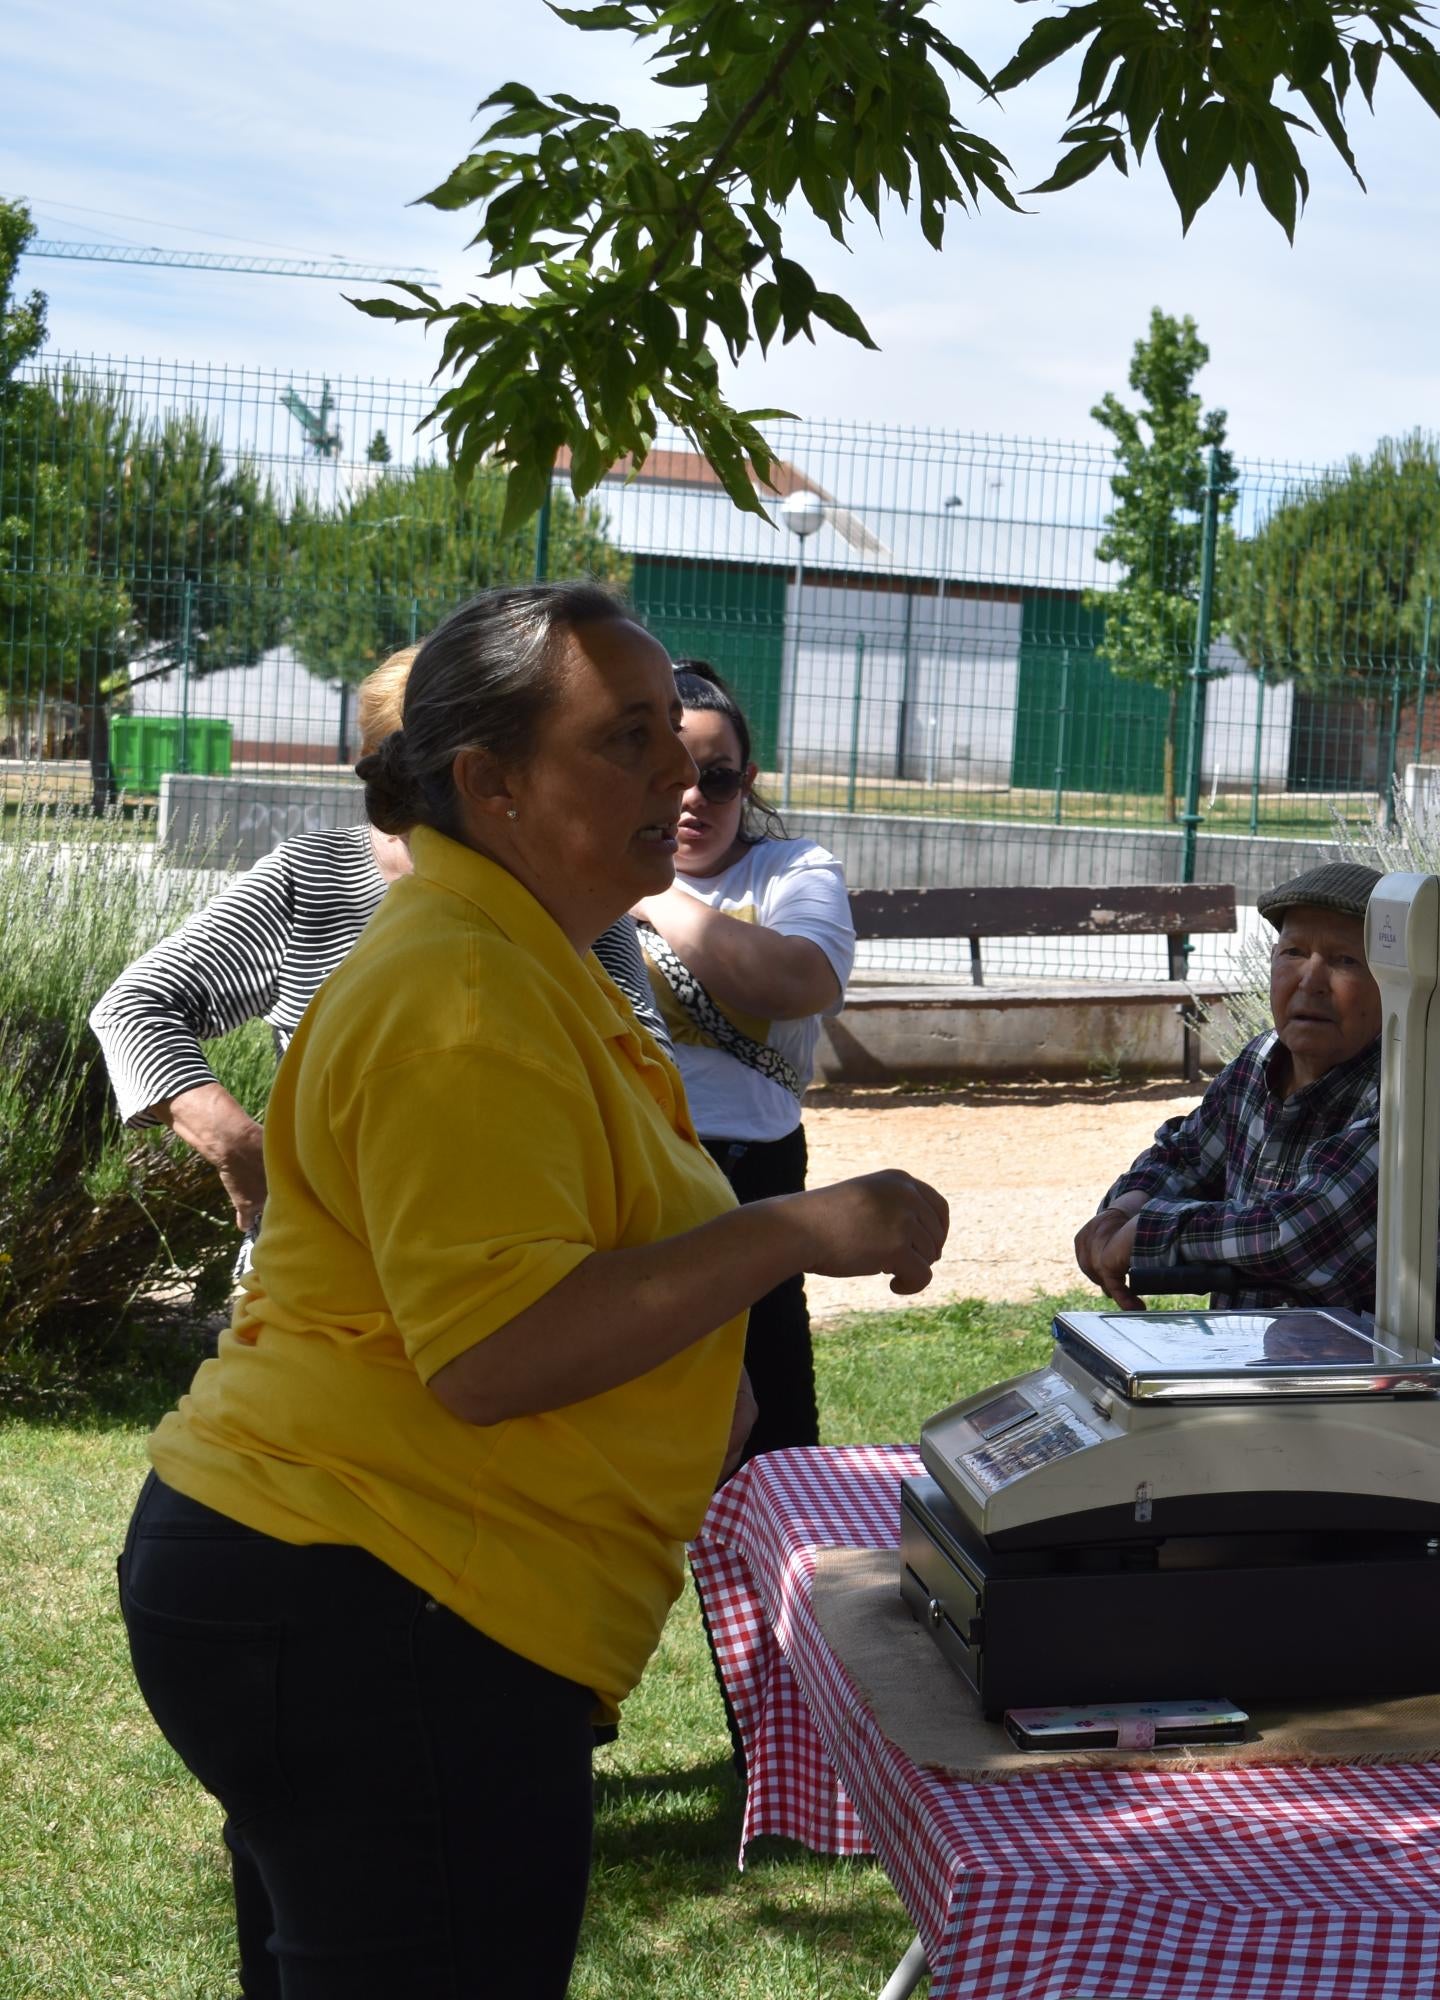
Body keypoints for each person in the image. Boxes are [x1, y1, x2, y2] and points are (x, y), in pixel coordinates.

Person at [117, 582, 948, 1999]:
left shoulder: (525, 955)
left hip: (375, 1588)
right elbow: (496, 1350)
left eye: (675, 741)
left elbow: (558, 1253)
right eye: (626, 740)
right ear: (489, 783)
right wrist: (790, 1233)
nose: (683, 771)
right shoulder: (467, 987)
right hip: (377, 1596)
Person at [90, 648, 668, 1241]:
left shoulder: (569, 889)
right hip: (331, 1274)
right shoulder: (314, 878)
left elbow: (650, 1068)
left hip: (538, 1254)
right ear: (376, 765)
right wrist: (240, 1146)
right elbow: (135, 1007)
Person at [1075, 861, 1440, 1377]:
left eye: (1346, 960)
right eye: (1294, 953)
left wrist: (1146, 1233)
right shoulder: (1262, 1060)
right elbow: (1186, 1153)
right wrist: (1124, 1207)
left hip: (1434, 1391)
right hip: (1285, 1373)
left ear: (1394, 983)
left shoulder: (1420, 1083)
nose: (1311, 980)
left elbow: (1298, 1234)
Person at [633, 664, 856, 1460]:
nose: (692, 797)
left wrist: (653, 892)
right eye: (671, 774)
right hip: (632, 1180)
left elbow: (800, 981)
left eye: (716, 779)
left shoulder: (794, 870)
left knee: (775, 1446)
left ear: (748, 780)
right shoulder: (585, 871)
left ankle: (767, 1581)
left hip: (751, 1175)